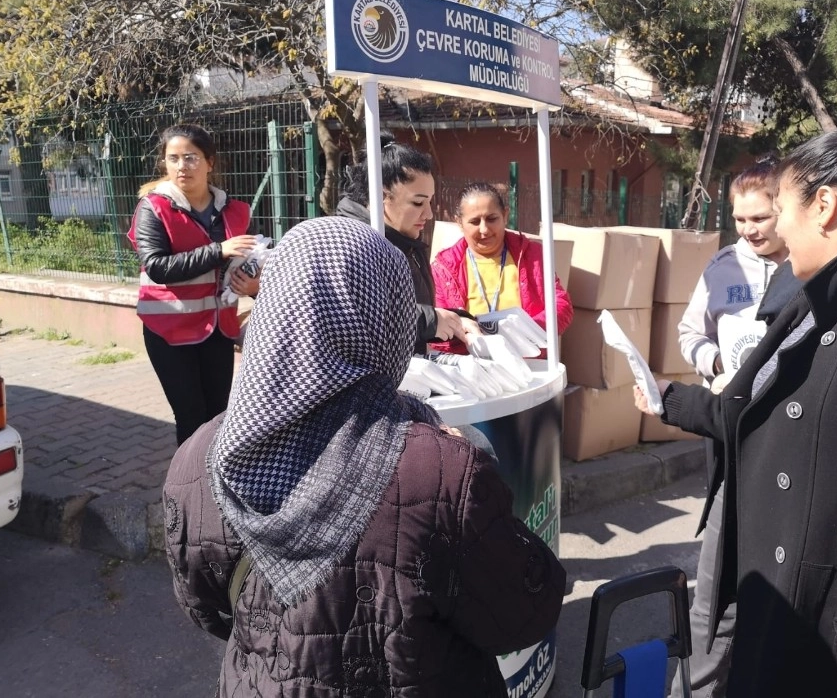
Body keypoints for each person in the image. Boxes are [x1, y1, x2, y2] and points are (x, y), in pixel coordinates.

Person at [162, 217, 566, 696]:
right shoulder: (442, 469)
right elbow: (523, 612)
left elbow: (206, 607)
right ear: (388, 322)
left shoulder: (199, 459)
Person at [635, 128, 837, 697]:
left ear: (825, 207)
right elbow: (756, 412)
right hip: (774, 611)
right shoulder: (813, 301)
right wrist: (670, 399)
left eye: (782, 208)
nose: (777, 228)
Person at [672, 158, 792, 698]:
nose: (750, 230)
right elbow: (689, 332)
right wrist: (715, 366)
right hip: (731, 435)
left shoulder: (811, 266)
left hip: (789, 440)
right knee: (717, 579)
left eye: (760, 218)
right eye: (740, 220)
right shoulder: (722, 267)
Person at [128, 123, 258, 446]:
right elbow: (157, 266)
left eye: (191, 158)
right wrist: (218, 251)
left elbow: (246, 261)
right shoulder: (154, 208)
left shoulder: (235, 211)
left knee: (219, 415)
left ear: (209, 162)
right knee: (190, 418)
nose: (181, 167)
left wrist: (252, 283)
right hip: (169, 331)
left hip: (217, 330)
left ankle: (215, 487)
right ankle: (188, 491)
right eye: (173, 158)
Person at [336, 138, 476, 354]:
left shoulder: (404, 240)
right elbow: (364, 318)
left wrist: (456, 319)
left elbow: (403, 312)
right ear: (382, 197)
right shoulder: (350, 245)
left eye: (430, 201)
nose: (428, 214)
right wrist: (432, 320)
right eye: (418, 203)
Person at [431, 181, 573, 354]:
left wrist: (526, 332)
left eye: (492, 219)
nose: (484, 230)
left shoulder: (532, 256)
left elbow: (561, 306)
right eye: (474, 222)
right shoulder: (443, 268)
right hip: (471, 367)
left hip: (528, 362)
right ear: (459, 223)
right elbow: (437, 328)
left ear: (505, 216)